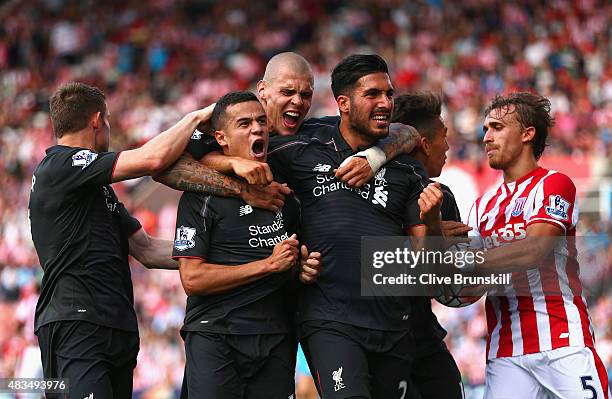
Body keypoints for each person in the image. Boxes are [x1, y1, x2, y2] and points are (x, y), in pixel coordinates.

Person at [265, 54, 440, 398]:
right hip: (329, 320)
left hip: (393, 324)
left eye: (389, 94)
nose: (386, 103)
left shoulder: (407, 168)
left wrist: (432, 220)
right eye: (372, 94)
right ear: (343, 103)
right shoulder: (301, 145)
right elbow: (227, 152)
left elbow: (427, 264)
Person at [28, 82, 213, 398]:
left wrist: (223, 252)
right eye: (109, 120)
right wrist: (196, 118)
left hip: (114, 326)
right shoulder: (58, 166)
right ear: (97, 121)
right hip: (77, 324)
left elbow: (147, 249)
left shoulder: (96, 190)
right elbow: (152, 159)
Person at [452, 92, 609, 398]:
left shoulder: (555, 183)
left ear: (527, 133)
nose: (486, 137)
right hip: (504, 353)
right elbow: (469, 289)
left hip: (563, 340)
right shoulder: (481, 206)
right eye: (485, 129)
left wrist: (470, 260)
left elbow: (536, 248)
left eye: (497, 127)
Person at [172, 91, 321, 398]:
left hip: (276, 337)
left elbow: (290, 266)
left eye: (262, 121)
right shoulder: (200, 197)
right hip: (216, 334)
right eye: (244, 123)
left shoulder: (286, 196)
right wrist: (267, 266)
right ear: (221, 139)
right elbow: (192, 278)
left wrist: (301, 269)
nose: (257, 129)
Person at [154, 52, 421, 210]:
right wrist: (235, 171)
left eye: (305, 94)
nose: (297, 101)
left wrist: (373, 158)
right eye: (287, 92)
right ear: (263, 91)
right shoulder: (227, 131)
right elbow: (166, 167)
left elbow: (407, 132)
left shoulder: (318, 131)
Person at [392, 92, 468, 399]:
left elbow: (454, 285)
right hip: (380, 341)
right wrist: (432, 237)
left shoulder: (442, 196)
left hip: (424, 338)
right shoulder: (374, 193)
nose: (448, 147)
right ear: (424, 143)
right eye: (444, 137)